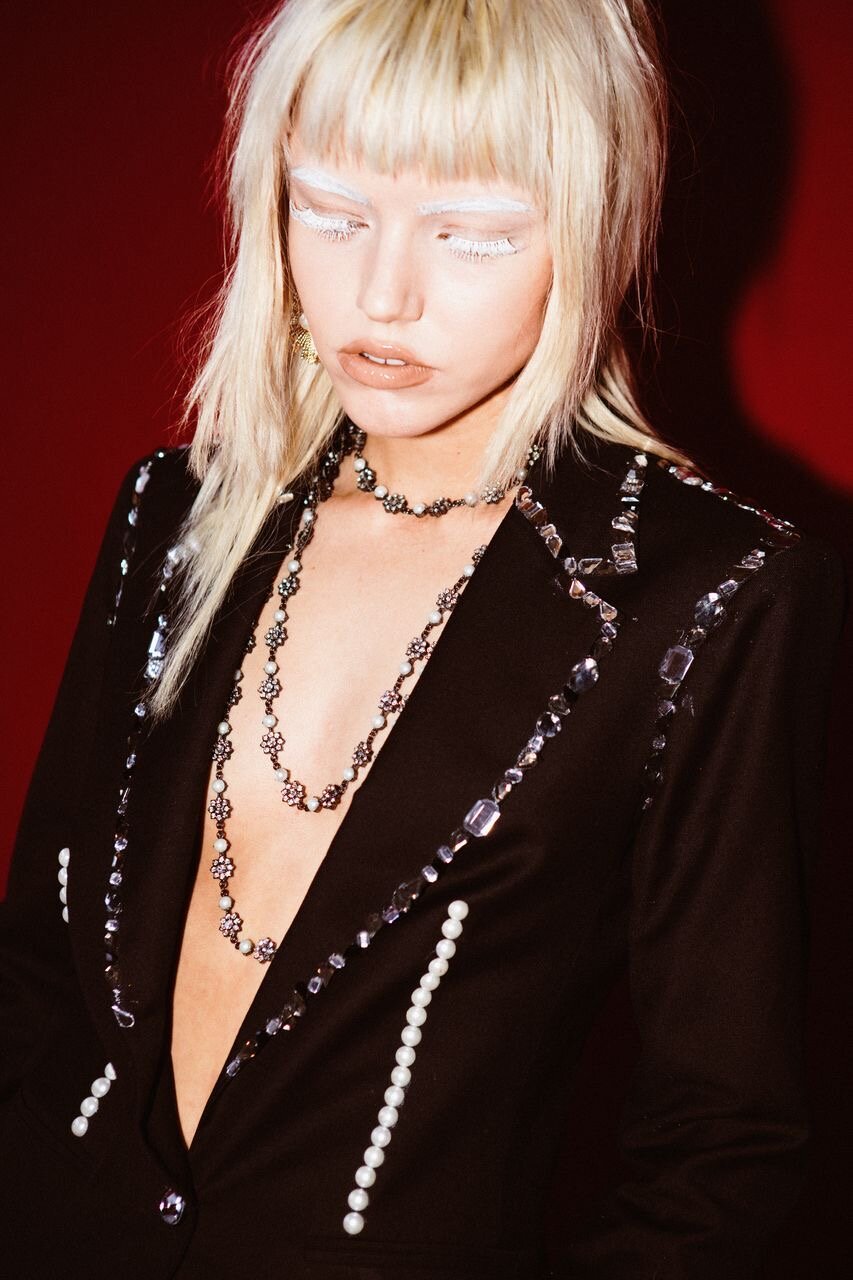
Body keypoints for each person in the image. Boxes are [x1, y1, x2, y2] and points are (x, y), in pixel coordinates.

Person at [1, 1, 846, 1276]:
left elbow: (724, 1152)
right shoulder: (173, 515)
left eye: (471, 233)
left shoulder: (710, 596)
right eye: (332, 210)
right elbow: (37, 968)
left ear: (593, 225)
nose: (380, 293)